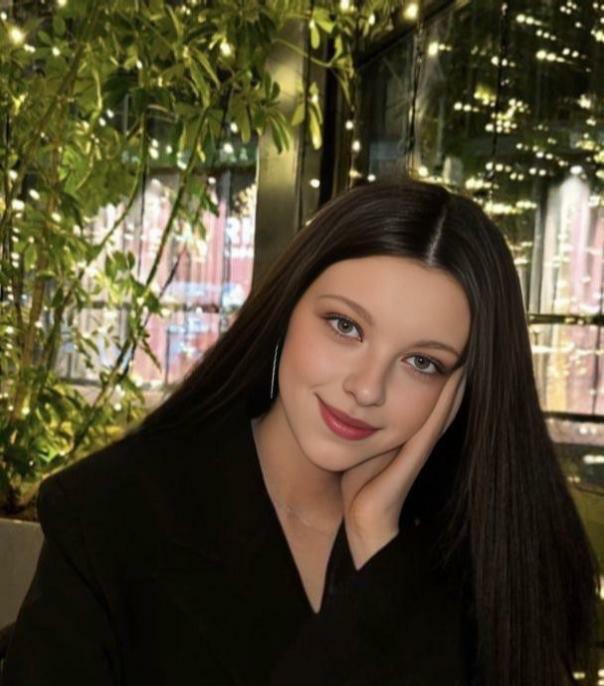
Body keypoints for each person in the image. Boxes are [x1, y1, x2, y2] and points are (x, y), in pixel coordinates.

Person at [2, 178, 599, 686]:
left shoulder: (486, 558)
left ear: (462, 389)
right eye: (345, 326)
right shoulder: (112, 513)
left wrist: (377, 550)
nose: (366, 388)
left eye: (422, 362)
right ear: (287, 308)